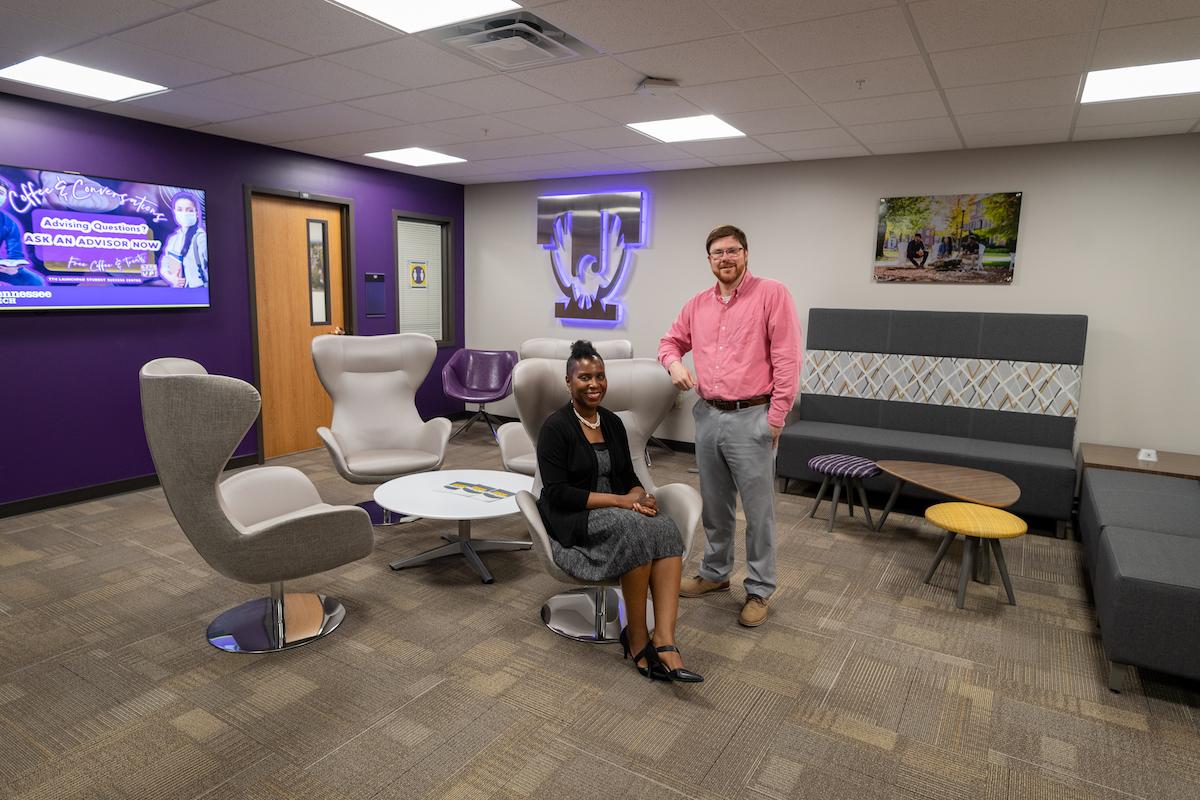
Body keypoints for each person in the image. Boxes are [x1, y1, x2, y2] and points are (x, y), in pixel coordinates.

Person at [659, 225, 801, 627]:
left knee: (758, 513)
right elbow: (669, 343)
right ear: (709, 260)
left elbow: (788, 360)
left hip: (753, 415)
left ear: (746, 254)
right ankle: (715, 574)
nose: (726, 259)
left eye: (733, 251)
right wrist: (674, 365)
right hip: (708, 415)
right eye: (717, 253)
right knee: (715, 506)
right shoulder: (697, 305)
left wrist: (776, 419)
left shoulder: (772, 294)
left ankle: (758, 589)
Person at [536, 340, 702, 683]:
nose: (594, 383)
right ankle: (637, 637)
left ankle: (666, 641)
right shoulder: (555, 427)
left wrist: (640, 496)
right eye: (584, 377)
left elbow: (628, 477)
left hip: (616, 514)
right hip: (572, 518)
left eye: (600, 376)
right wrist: (622, 502)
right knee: (636, 529)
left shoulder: (611, 423)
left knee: (665, 527)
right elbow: (557, 493)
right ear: (569, 382)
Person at [0, 179, 46, 286]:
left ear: (5, 198)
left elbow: (16, 255)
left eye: (1, 193)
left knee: (36, 281)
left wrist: (15, 270)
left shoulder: (9, 223)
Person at [159, 191, 208, 288]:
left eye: (189, 210)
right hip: (178, 292)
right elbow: (164, 263)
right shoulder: (173, 239)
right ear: (174, 212)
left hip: (198, 289)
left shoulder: (201, 237)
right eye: (180, 210)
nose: (184, 214)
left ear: (197, 213)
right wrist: (170, 277)